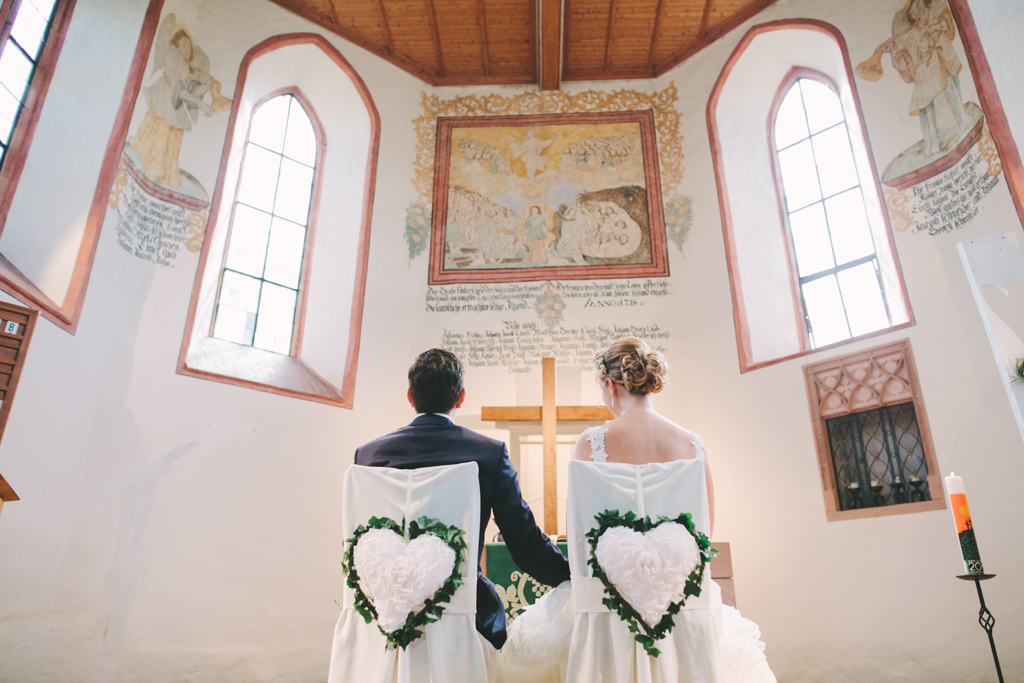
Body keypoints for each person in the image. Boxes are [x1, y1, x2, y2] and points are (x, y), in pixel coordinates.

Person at [502, 337, 775, 682]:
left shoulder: (592, 442)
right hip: (683, 604)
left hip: (607, 607)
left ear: (612, 386)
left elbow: (579, 538)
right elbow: (705, 531)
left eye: (603, 390)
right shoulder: (692, 443)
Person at [353, 348, 570, 653]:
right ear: (461, 398)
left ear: (410, 397)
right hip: (465, 608)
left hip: (387, 608)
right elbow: (524, 543)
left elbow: (361, 538)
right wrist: (573, 574)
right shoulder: (489, 454)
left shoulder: (368, 455)